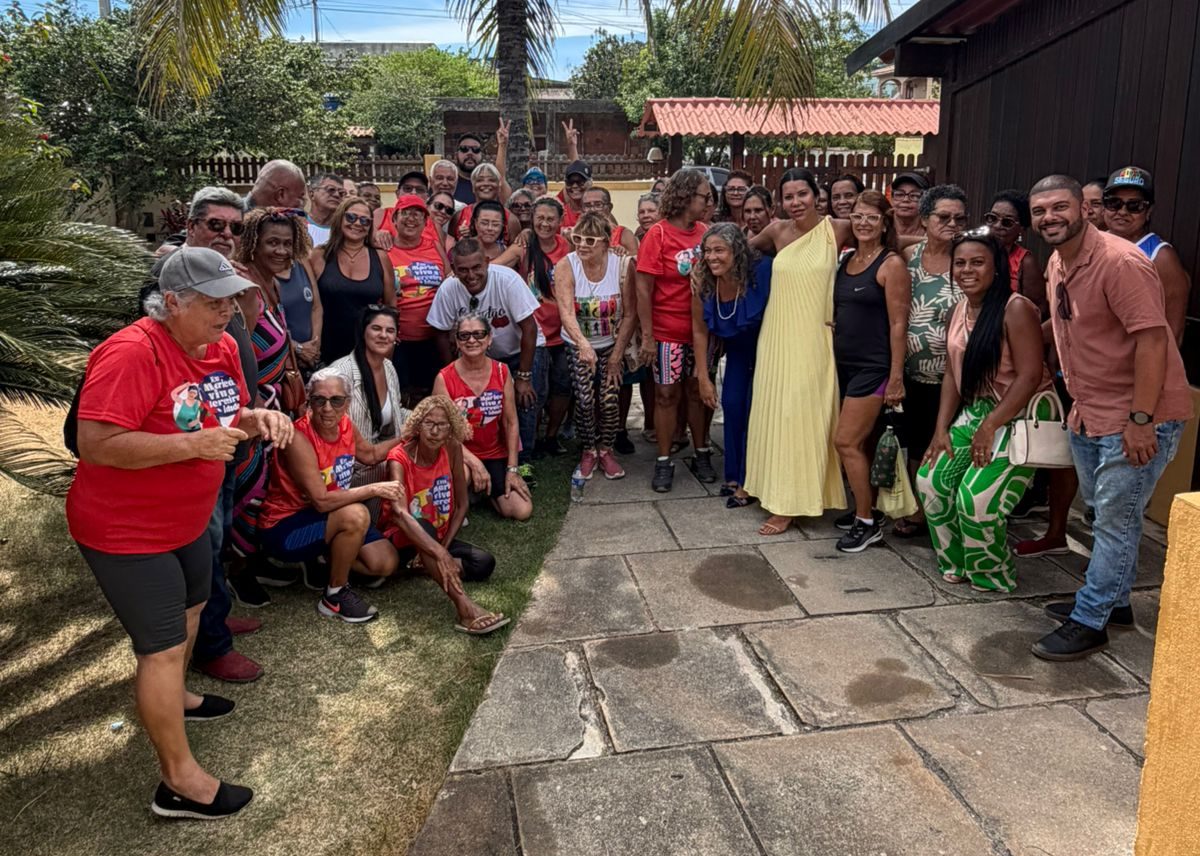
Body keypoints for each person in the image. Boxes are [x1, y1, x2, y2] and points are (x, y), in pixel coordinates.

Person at [67, 246, 293, 819]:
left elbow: (226, 411)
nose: (228, 311)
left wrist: (254, 417)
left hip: (187, 520)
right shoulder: (131, 353)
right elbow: (96, 444)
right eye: (214, 301)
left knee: (193, 611)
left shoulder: (216, 345)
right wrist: (193, 446)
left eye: (231, 298)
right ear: (172, 302)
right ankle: (178, 783)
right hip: (128, 532)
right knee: (162, 649)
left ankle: (181, 700)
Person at [1028, 175, 1192, 661]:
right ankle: (1115, 603)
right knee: (1101, 514)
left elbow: (1152, 340)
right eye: (1040, 211)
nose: (1049, 217)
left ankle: (1091, 618)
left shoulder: (1121, 262)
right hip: (1091, 411)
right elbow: (1069, 330)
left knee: (1116, 521)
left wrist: (1141, 418)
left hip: (1138, 416)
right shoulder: (1059, 262)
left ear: (1083, 207)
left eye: (1060, 207)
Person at [150, 189, 265, 681]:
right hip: (189, 439)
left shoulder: (224, 282)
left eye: (235, 228)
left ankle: (212, 618)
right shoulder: (171, 281)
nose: (226, 236)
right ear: (192, 226)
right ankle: (209, 643)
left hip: (226, 432)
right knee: (203, 537)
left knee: (216, 536)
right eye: (216, 225)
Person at [916, 230, 1051, 592]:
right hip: (977, 411)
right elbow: (950, 373)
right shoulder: (957, 309)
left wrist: (990, 425)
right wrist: (940, 429)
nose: (966, 270)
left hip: (1020, 415)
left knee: (976, 499)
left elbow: (1029, 375)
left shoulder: (1016, 308)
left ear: (997, 267)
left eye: (977, 262)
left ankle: (992, 573)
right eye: (960, 263)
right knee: (930, 481)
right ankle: (956, 561)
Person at [746, 168, 857, 535]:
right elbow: (737, 251)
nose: (796, 202)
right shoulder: (776, 231)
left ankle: (796, 501)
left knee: (804, 415)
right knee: (775, 410)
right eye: (789, 196)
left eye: (802, 194)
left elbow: (884, 240)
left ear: (816, 195)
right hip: (777, 335)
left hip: (815, 337)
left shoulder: (838, 229)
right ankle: (771, 489)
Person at [258, 369, 403, 622]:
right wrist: (373, 489)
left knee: (384, 563)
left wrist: (408, 437)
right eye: (319, 400)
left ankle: (323, 559)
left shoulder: (345, 423)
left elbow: (369, 455)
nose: (327, 408)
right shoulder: (298, 437)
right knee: (357, 513)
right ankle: (334, 595)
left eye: (336, 400)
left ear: (347, 403)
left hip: (329, 517)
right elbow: (321, 501)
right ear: (309, 403)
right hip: (286, 527)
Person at [225, 208, 311, 608]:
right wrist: (254, 407)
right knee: (249, 491)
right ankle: (238, 572)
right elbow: (234, 354)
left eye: (287, 243)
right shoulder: (244, 288)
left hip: (276, 402)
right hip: (253, 408)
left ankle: (256, 560)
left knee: (267, 486)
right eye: (272, 242)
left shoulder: (272, 284)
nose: (281, 250)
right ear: (253, 243)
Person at [382, 395, 510, 635]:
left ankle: (421, 566)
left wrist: (444, 546)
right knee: (424, 527)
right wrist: (439, 552)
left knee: (484, 563)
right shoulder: (398, 458)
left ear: (451, 428)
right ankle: (465, 609)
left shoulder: (451, 448)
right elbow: (399, 513)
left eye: (442, 425)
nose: (434, 431)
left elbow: (462, 505)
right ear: (417, 426)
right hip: (405, 535)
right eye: (428, 424)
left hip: (437, 536)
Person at [832, 190, 911, 552]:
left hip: (874, 368)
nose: (863, 223)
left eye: (872, 218)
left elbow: (899, 324)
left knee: (845, 441)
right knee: (858, 443)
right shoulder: (845, 259)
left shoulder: (890, 264)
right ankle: (867, 510)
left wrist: (895, 376)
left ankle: (866, 523)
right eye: (858, 216)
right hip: (844, 365)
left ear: (884, 223)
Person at [893, 183, 968, 538]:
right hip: (909, 373)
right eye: (943, 216)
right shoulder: (909, 256)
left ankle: (943, 512)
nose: (952, 224)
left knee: (947, 443)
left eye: (959, 218)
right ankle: (919, 511)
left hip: (954, 376)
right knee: (915, 441)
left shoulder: (968, 259)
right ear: (924, 220)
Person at [426, 238, 545, 463]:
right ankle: (486, 454)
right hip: (479, 355)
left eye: (476, 267)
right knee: (482, 406)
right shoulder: (449, 288)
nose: (470, 275)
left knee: (525, 403)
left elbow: (529, 328)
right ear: (454, 269)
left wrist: (524, 376)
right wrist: (451, 369)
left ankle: (524, 461)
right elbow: (440, 331)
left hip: (520, 350)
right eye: (463, 270)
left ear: (487, 262)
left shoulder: (507, 280)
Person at [636, 168, 712, 492]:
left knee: (697, 392)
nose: (708, 202)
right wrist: (649, 337)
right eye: (703, 196)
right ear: (685, 197)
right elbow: (644, 289)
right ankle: (664, 460)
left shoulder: (706, 232)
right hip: (667, 332)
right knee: (666, 395)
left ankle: (702, 451)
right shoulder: (659, 235)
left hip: (700, 332)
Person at [554, 213, 638, 479]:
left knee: (610, 400)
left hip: (612, 343)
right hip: (578, 343)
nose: (582, 245)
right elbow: (566, 312)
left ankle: (606, 449)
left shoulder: (622, 265)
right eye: (577, 238)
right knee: (585, 399)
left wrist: (615, 357)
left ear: (605, 242)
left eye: (590, 240)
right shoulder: (566, 265)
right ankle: (588, 450)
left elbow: (630, 314)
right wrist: (582, 345)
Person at [692, 223, 769, 508]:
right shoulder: (705, 281)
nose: (712, 257)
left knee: (756, 410)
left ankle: (753, 482)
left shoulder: (762, 273)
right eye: (707, 250)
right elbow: (699, 331)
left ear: (736, 251)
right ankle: (735, 476)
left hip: (768, 351)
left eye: (719, 250)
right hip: (738, 353)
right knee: (733, 405)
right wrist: (703, 377)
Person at [433, 314, 534, 520]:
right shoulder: (444, 378)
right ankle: (466, 493)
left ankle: (483, 493)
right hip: (458, 454)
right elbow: (442, 432)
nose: (472, 340)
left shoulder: (502, 371)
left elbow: (510, 422)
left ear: (489, 339)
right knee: (466, 473)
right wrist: (475, 463)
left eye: (479, 334)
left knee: (521, 510)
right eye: (464, 336)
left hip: (494, 454)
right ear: (457, 342)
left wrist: (512, 469)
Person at [495, 197, 573, 455]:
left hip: (564, 331)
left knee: (563, 386)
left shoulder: (569, 246)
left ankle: (551, 437)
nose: (545, 223)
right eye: (540, 218)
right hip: (535, 333)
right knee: (535, 390)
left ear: (561, 221)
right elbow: (494, 268)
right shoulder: (524, 246)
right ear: (532, 219)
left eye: (551, 218)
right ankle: (530, 441)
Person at [1101, 166, 1191, 345]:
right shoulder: (1093, 244)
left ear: (1148, 211)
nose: (1122, 211)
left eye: (1134, 206)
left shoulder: (1161, 257)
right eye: (1114, 203)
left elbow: (1173, 333)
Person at [328, 306, 409, 487]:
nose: (383, 335)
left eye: (390, 331)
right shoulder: (340, 373)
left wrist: (428, 417)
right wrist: (411, 436)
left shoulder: (388, 367)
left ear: (396, 338)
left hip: (381, 457)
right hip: (349, 468)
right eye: (376, 328)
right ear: (363, 332)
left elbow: (397, 411)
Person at [312, 196, 395, 365]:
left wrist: (387, 346)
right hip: (326, 350)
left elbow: (391, 305)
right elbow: (308, 305)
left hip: (367, 351)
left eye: (365, 221)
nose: (357, 223)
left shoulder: (380, 257)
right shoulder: (319, 256)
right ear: (339, 218)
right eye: (351, 217)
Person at [387, 195, 451, 401]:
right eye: (405, 213)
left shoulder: (433, 245)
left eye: (417, 214)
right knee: (402, 396)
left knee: (433, 395)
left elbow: (449, 280)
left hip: (435, 338)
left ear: (426, 222)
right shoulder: (384, 249)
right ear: (394, 219)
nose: (411, 218)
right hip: (399, 340)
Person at [984, 190, 1048, 316]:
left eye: (1007, 222)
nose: (997, 226)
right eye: (992, 218)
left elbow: (1038, 309)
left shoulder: (1025, 262)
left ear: (1021, 229)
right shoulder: (974, 250)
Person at [305, 173, 347, 248]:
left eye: (341, 193)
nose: (337, 195)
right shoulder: (299, 225)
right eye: (331, 190)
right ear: (312, 194)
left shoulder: (345, 230)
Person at [891, 172, 930, 239]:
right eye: (900, 194)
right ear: (892, 199)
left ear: (925, 200)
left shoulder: (932, 230)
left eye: (914, 195)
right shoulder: (881, 225)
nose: (905, 200)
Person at [452, 132, 485, 204]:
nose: (470, 153)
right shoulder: (448, 183)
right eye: (464, 149)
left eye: (475, 149)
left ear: (482, 156)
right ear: (456, 155)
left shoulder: (488, 185)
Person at [560, 160, 591, 231]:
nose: (574, 186)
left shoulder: (598, 211)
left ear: (590, 183)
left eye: (580, 182)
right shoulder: (560, 213)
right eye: (570, 182)